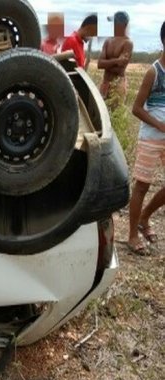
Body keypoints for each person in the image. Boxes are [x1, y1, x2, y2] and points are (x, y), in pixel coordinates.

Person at [127, 21, 165, 255]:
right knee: (142, 185)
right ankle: (132, 234)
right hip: (151, 137)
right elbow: (137, 108)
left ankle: (145, 217)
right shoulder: (154, 72)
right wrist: (160, 125)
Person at [98, 11, 133, 105]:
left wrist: (106, 63)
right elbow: (99, 64)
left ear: (124, 25)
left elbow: (120, 69)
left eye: (117, 23)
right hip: (104, 83)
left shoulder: (127, 43)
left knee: (115, 116)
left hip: (118, 85)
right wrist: (117, 60)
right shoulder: (108, 41)